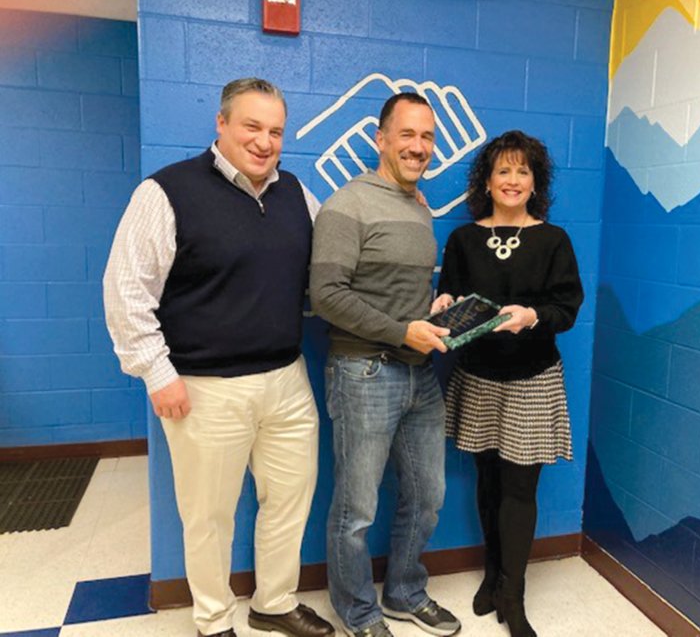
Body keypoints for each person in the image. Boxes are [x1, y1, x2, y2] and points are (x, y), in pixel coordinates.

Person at [103, 77, 335, 637]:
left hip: (286, 379)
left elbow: (335, 264)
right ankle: (212, 620)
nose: (264, 141)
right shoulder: (165, 192)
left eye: (275, 130)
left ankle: (274, 602)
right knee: (208, 517)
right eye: (252, 126)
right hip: (203, 388)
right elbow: (125, 290)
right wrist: (158, 374)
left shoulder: (298, 195)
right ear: (222, 124)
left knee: (289, 500)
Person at [310, 92, 461, 637]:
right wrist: (402, 330)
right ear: (380, 139)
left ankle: (403, 593)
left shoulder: (419, 209)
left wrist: (430, 309)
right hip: (363, 374)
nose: (418, 147)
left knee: (427, 495)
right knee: (356, 511)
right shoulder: (347, 204)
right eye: (407, 135)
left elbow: (396, 292)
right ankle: (358, 611)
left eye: (427, 138)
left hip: (419, 375)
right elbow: (325, 294)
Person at [431, 130, 584, 637]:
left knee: (520, 488)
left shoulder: (553, 240)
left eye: (523, 171)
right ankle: (493, 575)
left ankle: (513, 595)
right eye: (503, 171)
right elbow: (448, 296)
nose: (513, 180)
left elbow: (567, 308)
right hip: (477, 377)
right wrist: (443, 307)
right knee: (488, 481)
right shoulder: (463, 239)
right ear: (488, 181)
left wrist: (533, 315)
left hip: (533, 379)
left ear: (534, 181)